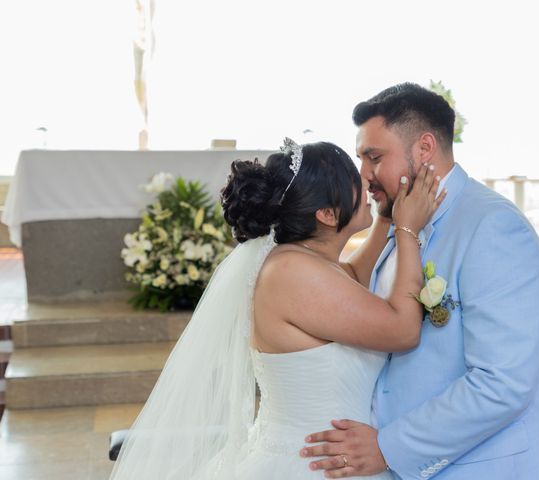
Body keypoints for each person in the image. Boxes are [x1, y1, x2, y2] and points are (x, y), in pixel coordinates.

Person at [108, 139, 445, 480]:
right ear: (327, 214)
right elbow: (402, 330)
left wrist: (387, 217)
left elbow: (355, 277)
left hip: (331, 459)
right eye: (352, 178)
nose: (364, 179)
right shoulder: (291, 273)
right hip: (306, 466)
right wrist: (407, 230)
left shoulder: (303, 261)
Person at [301, 83, 539, 479]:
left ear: (424, 149)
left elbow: (502, 382)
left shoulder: (492, 226)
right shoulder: (401, 226)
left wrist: (388, 446)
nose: (364, 175)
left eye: (374, 157)